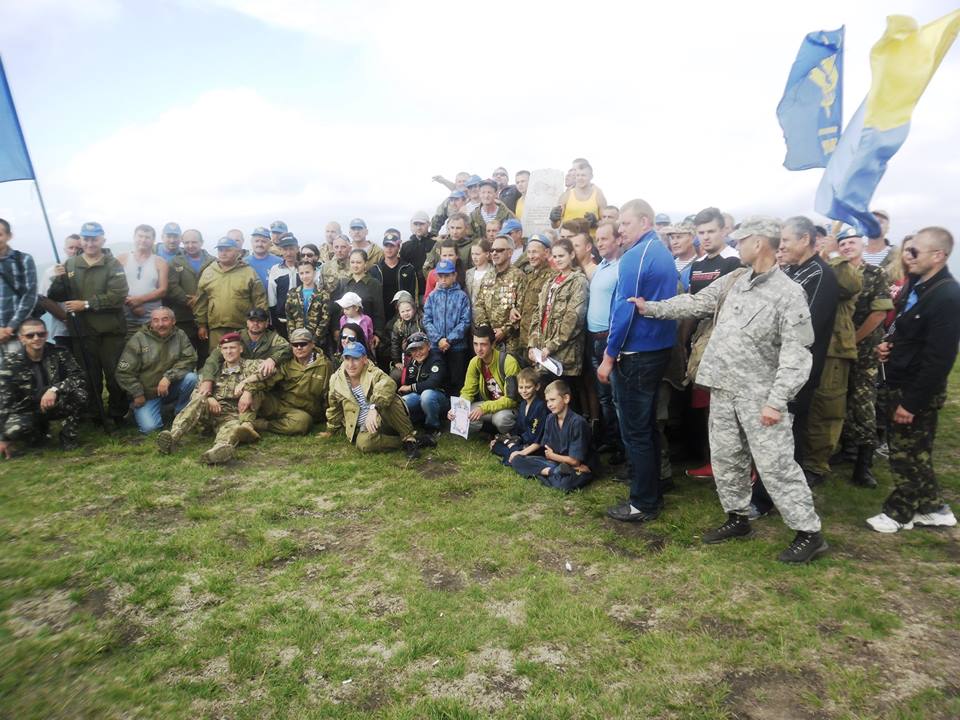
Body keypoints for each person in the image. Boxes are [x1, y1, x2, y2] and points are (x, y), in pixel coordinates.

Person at [634, 216, 827, 563]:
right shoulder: (736, 280)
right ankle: (737, 517)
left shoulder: (788, 293)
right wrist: (652, 309)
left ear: (760, 243)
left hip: (761, 396)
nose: (736, 245)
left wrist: (777, 401)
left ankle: (808, 533)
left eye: (742, 240)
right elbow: (696, 303)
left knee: (776, 465)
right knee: (726, 458)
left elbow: (797, 354)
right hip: (724, 389)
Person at [869, 226, 960, 533]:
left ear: (938, 256)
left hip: (916, 390)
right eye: (906, 250)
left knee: (906, 455)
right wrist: (888, 348)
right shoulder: (916, 284)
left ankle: (900, 513)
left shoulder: (947, 295)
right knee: (914, 452)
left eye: (914, 251)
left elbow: (939, 359)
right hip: (899, 379)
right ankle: (934, 508)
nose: (907, 257)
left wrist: (911, 402)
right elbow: (910, 334)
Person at [597, 199, 677, 524]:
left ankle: (643, 502)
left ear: (645, 221)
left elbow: (625, 310)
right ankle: (653, 487)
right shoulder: (659, 252)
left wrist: (608, 355)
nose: (620, 231)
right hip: (656, 350)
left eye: (625, 225)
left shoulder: (636, 257)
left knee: (636, 430)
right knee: (645, 426)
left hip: (638, 353)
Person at [780, 219, 861, 487]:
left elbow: (808, 326)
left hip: (803, 365)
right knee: (787, 427)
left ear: (805, 240)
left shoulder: (821, 274)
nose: (782, 246)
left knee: (799, 425)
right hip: (787, 363)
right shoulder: (795, 271)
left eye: (786, 241)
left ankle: (796, 479)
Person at [46, 221, 130, 426]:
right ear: (81, 240)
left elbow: (118, 296)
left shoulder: (113, 264)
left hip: (110, 331)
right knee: (88, 376)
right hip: (82, 332)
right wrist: (57, 279)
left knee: (114, 374)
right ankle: (95, 415)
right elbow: (56, 295)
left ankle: (118, 413)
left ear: (102, 240)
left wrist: (86, 304)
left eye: (94, 239)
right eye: (86, 239)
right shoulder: (70, 264)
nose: (90, 243)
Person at [835, 229, 893, 487]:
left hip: (864, 349)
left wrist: (853, 340)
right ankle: (846, 451)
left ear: (861, 244)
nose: (847, 246)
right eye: (843, 243)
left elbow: (879, 314)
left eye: (852, 242)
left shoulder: (876, 273)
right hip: (838, 348)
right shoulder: (835, 272)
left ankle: (864, 463)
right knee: (840, 396)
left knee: (863, 402)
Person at [156, 332, 262, 464]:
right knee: (200, 398)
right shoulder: (213, 369)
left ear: (240, 349)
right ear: (221, 351)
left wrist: (246, 385)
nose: (229, 352)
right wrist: (210, 397)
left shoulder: (251, 366)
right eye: (225, 348)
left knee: (232, 428)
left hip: (231, 415)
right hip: (208, 412)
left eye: (233, 348)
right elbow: (196, 392)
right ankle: (173, 436)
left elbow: (270, 371)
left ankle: (218, 451)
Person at [320, 341, 423, 459]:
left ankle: (409, 439)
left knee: (390, 398)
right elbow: (334, 407)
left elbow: (388, 383)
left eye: (355, 359)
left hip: (383, 419)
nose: (350, 364)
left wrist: (373, 407)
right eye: (347, 359)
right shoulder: (336, 379)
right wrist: (331, 429)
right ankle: (411, 442)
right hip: (364, 427)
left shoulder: (373, 372)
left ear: (364, 359)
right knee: (364, 444)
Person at [0, 318, 88, 455]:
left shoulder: (59, 353)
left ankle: (68, 438)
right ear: (21, 338)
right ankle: (38, 435)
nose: (36, 338)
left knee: (80, 394)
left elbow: (79, 377)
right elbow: (4, 401)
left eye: (40, 334)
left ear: (46, 335)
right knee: (13, 430)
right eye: (30, 335)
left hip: (54, 403)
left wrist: (54, 389)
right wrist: (3, 438)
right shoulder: (11, 363)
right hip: (27, 409)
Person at [115, 307, 198, 434]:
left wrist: (168, 377)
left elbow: (190, 359)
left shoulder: (180, 335)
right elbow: (123, 372)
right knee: (151, 429)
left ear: (173, 321)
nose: (160, 324)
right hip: (147, 395)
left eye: (165, 320)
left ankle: (180, 414)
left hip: (170, 387)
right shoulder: (138, 339)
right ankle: (140, 410)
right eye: (156, 320)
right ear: (151, 323)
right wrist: (137, 393)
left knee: (192, 378)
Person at [510, 379, 596, 492]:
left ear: (566, 398)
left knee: (564, 484)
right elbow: (546, 450)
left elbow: (575, 461)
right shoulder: (550, 418)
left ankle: (547, 474)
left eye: (553, 400)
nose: (549, 404)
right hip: (556, 464)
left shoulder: (577, 422)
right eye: (547, 401)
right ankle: (552, 472)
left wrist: (553, 456)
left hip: (578, 468)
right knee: (517, 460)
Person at [527, 237, 588, 388]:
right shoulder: (550, 282)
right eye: (555, 256)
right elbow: (538, 313)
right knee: (546, 396)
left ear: (572, 255)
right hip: (543, 352)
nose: (558, 260)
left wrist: (552, 346)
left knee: (563, 397)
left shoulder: (578, 281)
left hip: (564, 355)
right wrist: (533, 345)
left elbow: (573, 319)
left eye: (561, 256)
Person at [586, 221, 623, 463]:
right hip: (593, 337)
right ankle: (611, 440)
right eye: (597, 239)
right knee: (604, 397)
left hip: (609, 338)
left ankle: (622, 446)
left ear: (618, 239)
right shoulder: (601, 267)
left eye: (604, 239)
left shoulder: (622, 267)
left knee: (617, 397)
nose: (600, 243)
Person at [194, 237, 267, 348]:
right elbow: (201, 301)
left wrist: (259, 323)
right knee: (217, 358)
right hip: (216, 328)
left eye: (228, 250)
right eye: (220, 250)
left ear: (237, 252)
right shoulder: (208, 272)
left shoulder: (248, 272)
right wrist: (201, 325)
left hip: (242, 327)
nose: (223, 253)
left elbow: (260, 299)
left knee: (241, 357)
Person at [256, 328, 332, 435]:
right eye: (295, 345)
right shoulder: (286, 362)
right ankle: (245, 423)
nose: (299, 348)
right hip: (281, 404)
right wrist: (247, 391)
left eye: (303, 344)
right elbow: (267, 381)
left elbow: (330, 395)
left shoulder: (324, 365)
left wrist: (331, 425)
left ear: (312, 344)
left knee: (302, 423)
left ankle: (262, 425)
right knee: (254, 392)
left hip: (303, 412)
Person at [451, 324, 519, 435]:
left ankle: (510, 435)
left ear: (493, 344)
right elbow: (468, 391)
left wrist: (484, 408)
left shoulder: (509, 362)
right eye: (475, 344)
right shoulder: (474, 362)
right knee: (461, 414)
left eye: (483, 344)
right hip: (490, 404)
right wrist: (457, 408)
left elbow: (511, 399)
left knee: (500, 419)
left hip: (509, 407)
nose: (479, 349)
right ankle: (489, 430)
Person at [199, 308, 291, 386]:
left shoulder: (273, 338)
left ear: (266, 323)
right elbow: (214, 357)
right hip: (235, 376)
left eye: (259, 321)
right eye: (252, 321)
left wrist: (273, 359)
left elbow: (288, 349)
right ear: (247, 323)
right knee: (199, 377)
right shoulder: (235, 337)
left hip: (260, 379)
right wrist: (208, 380)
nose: (255, 324)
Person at [164, 229, 213, 365]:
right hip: (184, 317)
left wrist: (201, 301)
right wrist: (187, 300)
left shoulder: (213, 262)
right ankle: (188, 384)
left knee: (206, 355)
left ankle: (204, 383)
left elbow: (216, 285)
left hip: (208, 318)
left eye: (194, 242)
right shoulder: (175, 262)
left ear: (201, 242)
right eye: (187, 242)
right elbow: (171, 286)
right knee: (185, 356)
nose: (190, 245)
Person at [423, 259, 472, 394]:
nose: (443, 279)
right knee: (438, 380)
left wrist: (449, 340)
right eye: (440, 276)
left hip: (457, 348)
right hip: (437, 347)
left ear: (454, 276)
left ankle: (456, 413)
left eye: (447, 276)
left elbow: (465, 321)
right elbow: (427, 320)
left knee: (457, 382)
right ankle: (440, 412)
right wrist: (439, 339)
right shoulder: (432, 296)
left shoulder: (462, 296)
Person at [474, 234, 524, 357]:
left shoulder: (519, 276)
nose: (494, 253)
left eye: (499, 250)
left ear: (510, 253)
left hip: (511, 342)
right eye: (492, 250)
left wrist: (505, 330)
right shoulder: (488, 275)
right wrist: (486, 328)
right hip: (489, 341)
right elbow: (479, 304)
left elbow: (521, 309)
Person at [117, 224, 169, 337]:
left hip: (151, 318)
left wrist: (140, 300)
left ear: (153, 240)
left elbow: (163, 290)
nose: (143, 240)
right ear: (134, 237)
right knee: (128, 351)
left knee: (153, 350)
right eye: (140, 236)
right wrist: (133, 304)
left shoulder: (160, 262)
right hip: (125, 317)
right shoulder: (122, 259)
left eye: (147, 237)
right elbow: (115, 287)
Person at [490, 367, 547, 466]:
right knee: (496, 445)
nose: (524, 391)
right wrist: (505, 437)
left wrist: (520, 451)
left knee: (513, 451)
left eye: (528, 387)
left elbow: (539, 440)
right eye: (521, 387)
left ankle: (516, 454)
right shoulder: (523, 405)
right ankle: (513, 451)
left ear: (537, 387)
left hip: (535, 447)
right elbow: (518, 429)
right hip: (521, 442)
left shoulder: (540, 407)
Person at [397, 331, 448, 436]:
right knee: (403, 401)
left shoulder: (436, 360)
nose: (418, 353)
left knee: (427, 396)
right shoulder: (411, 363)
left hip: (440, 398)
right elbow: (407, 384)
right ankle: (416, 421)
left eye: (421, 348)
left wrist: (411, 387)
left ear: (428, 346)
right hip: (419, 396)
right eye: (413, 350)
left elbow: (432, 383)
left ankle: (433, 427)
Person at [333, 249, 386, 351]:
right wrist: (336, 329)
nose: (355, 265)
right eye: (352, 262)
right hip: (347, 335)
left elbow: (379, 310)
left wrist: (378, 333)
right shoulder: (345, 283)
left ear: (365, 264)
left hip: (366, 333)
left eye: (359, 262)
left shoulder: (373, 283)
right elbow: (338, 309)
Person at [0, 218, 38, 356]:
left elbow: (30, 296)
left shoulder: (23, 260)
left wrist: (9, 328)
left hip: (19, 335)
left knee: (21, 377)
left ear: (9, 236)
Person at [39, 233, 82, 349]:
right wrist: (66, 319)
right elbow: (44, 299)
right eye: (71, 248)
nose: (74, 251)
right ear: (65, 249)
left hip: (87, 330)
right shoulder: (52, 272)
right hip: (62, 331)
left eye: (78, 248)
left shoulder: (88, 271)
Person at [516, 234, 554, 353]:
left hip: (538, 342)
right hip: (523, 339)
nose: (531, 256)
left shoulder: (551, 278)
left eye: (535, 252)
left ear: (546, 253)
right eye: (529, 252)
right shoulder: (530, 276)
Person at [371, 229, 417, 324]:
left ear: (398, 247)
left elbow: (413, 294)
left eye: (392, 246)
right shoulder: (375, 270)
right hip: (381, 315)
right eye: (386, 246)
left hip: (403, 315)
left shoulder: (408, 269)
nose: (389, 249)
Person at [285, 260, 331, 351]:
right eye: (301, 273)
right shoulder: (292, 293)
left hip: (317, 341)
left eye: (307, 272)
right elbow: (289, 317)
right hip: (298, 340)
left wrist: (314, 340)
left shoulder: (323, 294)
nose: (304, 276)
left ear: (314, 272)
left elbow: (325, 319)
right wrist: (293, 337)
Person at [555, 161, 608, 233]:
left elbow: (606, 224)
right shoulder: (566, 195)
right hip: (569, 241)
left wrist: (596, 223)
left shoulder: (598, 195)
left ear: (591, 176)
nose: (580, 178)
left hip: (590, 241)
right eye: (578, 175)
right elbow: (555, 225)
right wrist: (553, 219)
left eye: (583, 175)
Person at [267, 234, 300, 336]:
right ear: (280, 250)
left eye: (291, 249)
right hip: (282, 319)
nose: (288, 253)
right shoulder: (275, 270)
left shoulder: (305, 268)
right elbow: (271, 297)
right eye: (285, 249)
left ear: (297, 249)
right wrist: (274, 320)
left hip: (302, 318)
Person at [400, 211, 436, 302]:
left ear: (428, 224)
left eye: (422, 224)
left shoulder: (435, 243)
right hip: (412, 291)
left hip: (432, 290)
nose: (419, 227)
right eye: (416, 224)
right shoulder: (406, 246)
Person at [389, 291, 424, 378]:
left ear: (414, 308)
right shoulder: (398, 325)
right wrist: (397, 361)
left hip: (422, 355)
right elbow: (395, 343)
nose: (406, 313)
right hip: (406, 358)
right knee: (395, 375)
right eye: (403, 311)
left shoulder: (422, 321)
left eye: (408, 310)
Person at [246, 227, 282, 291]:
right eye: (256, 241)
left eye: (263, 241)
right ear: (251, 242)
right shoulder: (244, 263)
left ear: (270, 243)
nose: (260, 244)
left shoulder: (279, 262)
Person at [465, 239, 493, 306]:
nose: (474, 257)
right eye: (472, 254)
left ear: (487, 254)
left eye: (477, 254)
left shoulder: (494, 272)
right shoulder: (469, 273)